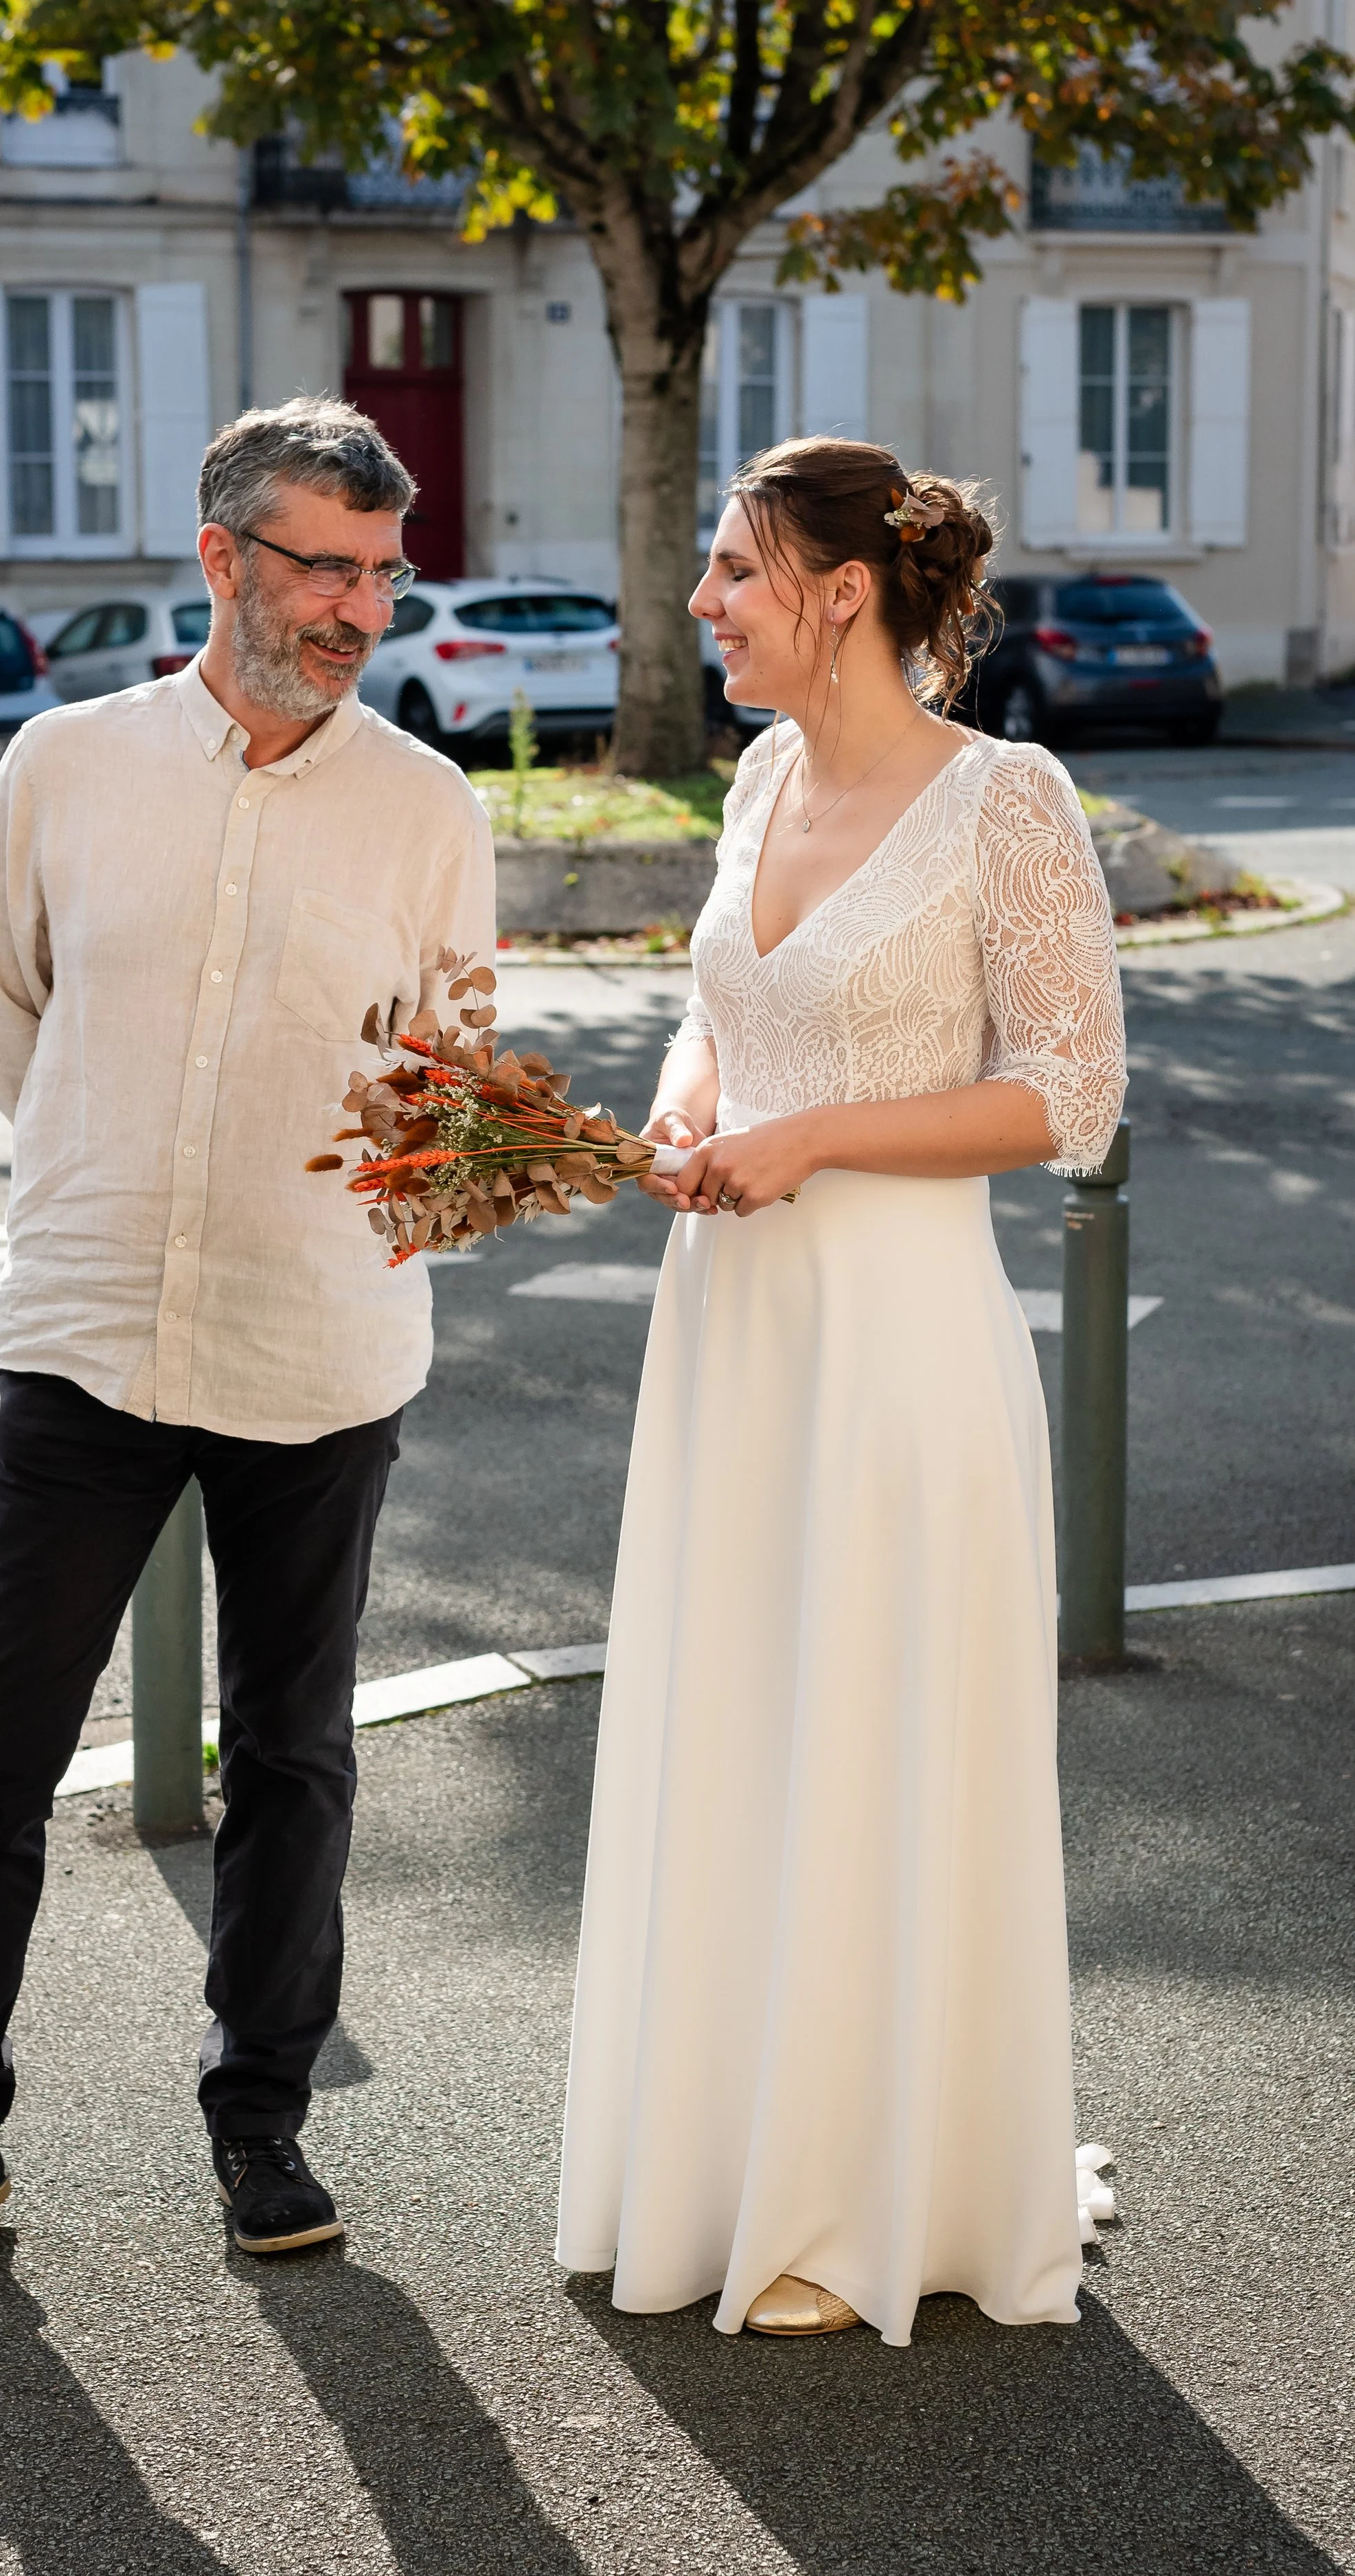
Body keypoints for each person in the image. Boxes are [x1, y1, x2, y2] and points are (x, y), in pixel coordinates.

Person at [0, 397, 495, 2298]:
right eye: (321, 566)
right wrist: (123, 1182)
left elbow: (439, 1080)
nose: (360, 605)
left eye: (380, 568)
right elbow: (5, 1015)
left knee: (294, 1753)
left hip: (321, 1343)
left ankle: (258, 2111)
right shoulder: (63, 765)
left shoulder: (429, 808)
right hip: (90, 1333)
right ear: (221, 560)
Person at [555, 438, 1126, 2347]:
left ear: (835, 592)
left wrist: (814, 1143)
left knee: (874, 1726)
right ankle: (723, 2156)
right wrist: (685, 1108)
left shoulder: (1005, 799)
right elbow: (724, 1010)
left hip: (894, 1344)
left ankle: (869, 2191)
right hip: (731, 1334)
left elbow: (1068, 1096)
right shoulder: (761, 773)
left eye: (730, 569)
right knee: (741, 1717)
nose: (702, 600)